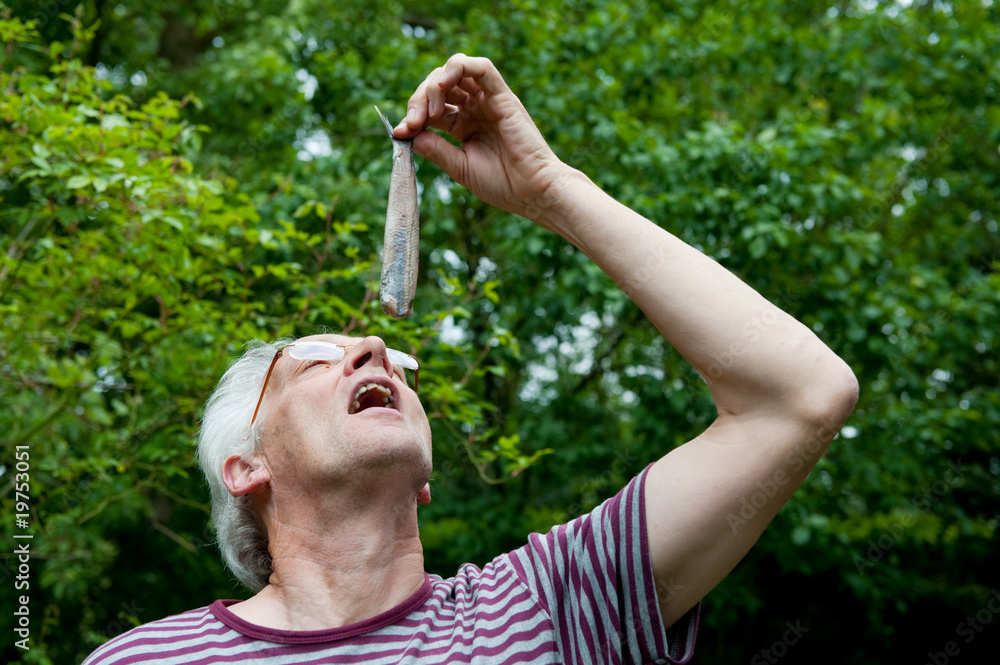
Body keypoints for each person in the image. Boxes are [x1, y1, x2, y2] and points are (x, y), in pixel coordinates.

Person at [84, 54, 858, 664]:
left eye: (396, 365)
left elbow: (801, 395)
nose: (374, 349)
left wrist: (551, 189)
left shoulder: (549, 606)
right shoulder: (142, 659)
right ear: (246, 466)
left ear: (424, 480)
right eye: (315, 360)